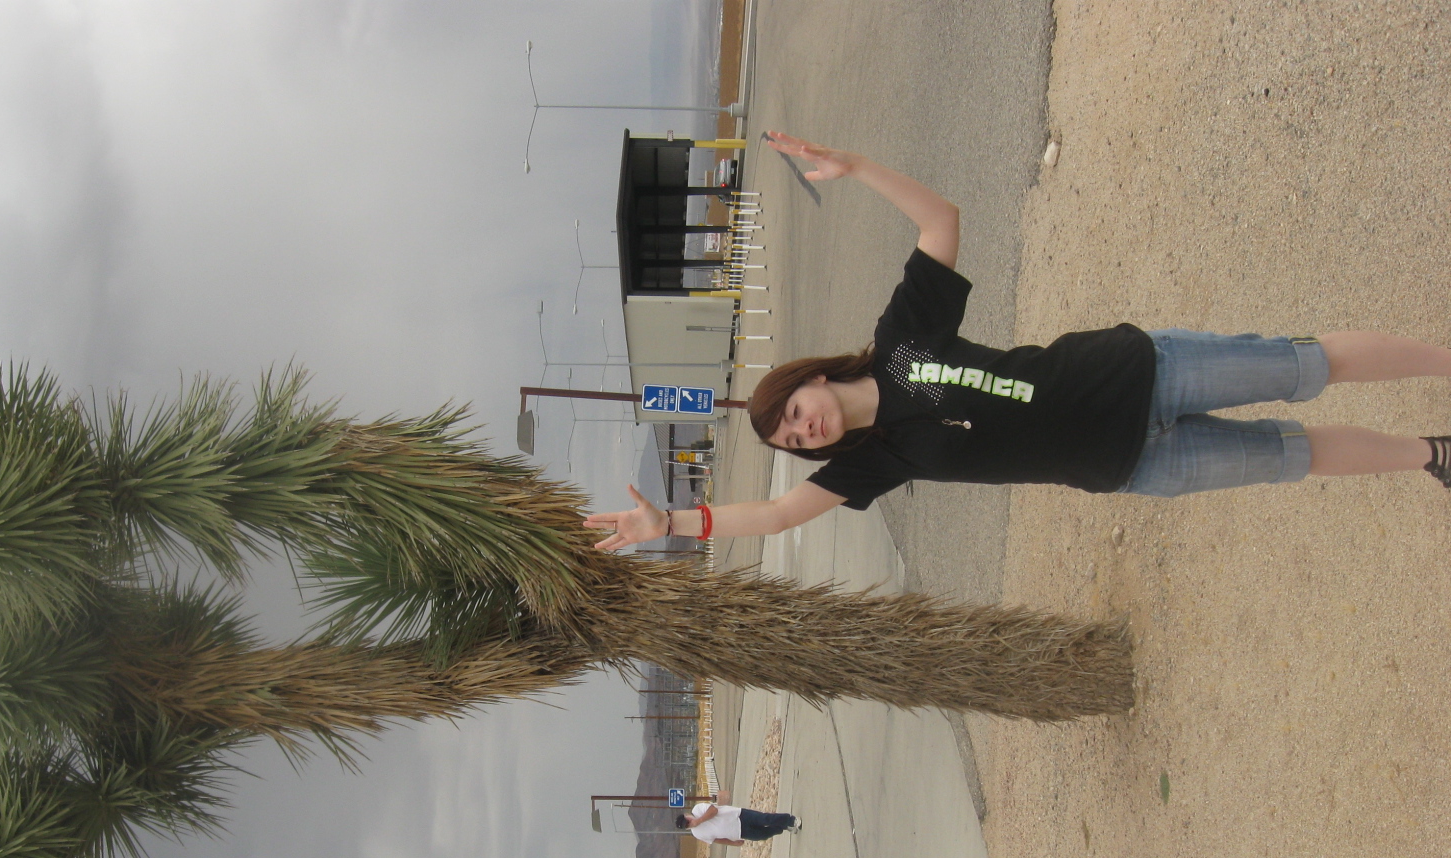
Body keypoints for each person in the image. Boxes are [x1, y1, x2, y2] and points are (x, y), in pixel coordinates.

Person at [584, 130, 1451, 550]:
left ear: (807, 380)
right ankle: (1432, 453)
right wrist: (674, 523)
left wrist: (856, 169)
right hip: (1130, 465)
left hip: (1139, 374)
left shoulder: (901, 343)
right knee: (1291, 455)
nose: (802, 430)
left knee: (1306, 366)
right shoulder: (875, 460)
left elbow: (941, 221)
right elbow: (775, 515)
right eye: (792, 439)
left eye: (792, 412)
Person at [675, 791, 800, 845]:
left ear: (687, 816)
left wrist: (699, 820)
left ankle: (790, 820)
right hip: (738, 832)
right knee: (762, 835)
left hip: (739, 816)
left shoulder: (697, 809)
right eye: (687, 825)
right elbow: (715, 839)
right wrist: (732, 843)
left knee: (765, 819)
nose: (690, 823)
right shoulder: (697, 833)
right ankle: (782, 826)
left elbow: (713, 810)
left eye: (688, 821)